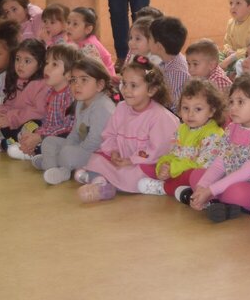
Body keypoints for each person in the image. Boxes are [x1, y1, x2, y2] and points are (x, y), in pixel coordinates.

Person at [74, 57, 179, 203]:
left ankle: (101, 183)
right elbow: (109, 134)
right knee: (95, 158)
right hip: (121, 159)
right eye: (124, 83)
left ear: (152, 90)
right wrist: (114, 152)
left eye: (134, 85)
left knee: (133, 177)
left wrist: (131, 160)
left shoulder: (160, 117)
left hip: (143, 163)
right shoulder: (122, 108)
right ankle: (101, 182)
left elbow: (156, 150)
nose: (126, 90)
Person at [187, 75, 250, 222]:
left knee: (237, 193)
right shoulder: (232, 127)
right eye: (231, 102)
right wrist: (202, 187)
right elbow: (220, 162)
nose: (233, 107)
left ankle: (214, 200)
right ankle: (214, 202)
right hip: (228, 178)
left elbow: (245, 173)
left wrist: (211, 190)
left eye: (240, 102)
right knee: (197, 175)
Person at [137, 79, 226, 199]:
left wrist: (173, 168)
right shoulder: (182, 129)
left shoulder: (214, 135)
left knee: (196, 175)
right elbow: (174, 153)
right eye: (185, 108)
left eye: (198, 109)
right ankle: (179, 188)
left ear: (212, 111)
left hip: (200, 176)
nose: (190, 114)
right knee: (150, 164)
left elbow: (202, 165)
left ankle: (165, 188)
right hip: (179, 170)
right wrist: (164, 165)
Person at [35, 57, 117, 185]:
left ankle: (58, 167)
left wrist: (68, 150)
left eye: (84, 80)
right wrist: (68, 145)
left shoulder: (102, 107)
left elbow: (96, 141)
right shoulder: (80, 102)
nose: (76, 85)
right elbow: (75, 132)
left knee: (67, 153)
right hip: (82, 148)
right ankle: (51, 167)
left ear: (100, 85)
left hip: (98, 153)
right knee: (49, 141)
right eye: (73, 80)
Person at [0, 39, 50, 153]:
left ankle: (4, 145)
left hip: (31, 124)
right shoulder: (17, 80)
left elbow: (38, 112)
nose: (20, 65)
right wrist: (0, 114)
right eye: (18, 59)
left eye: (27, 61)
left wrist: (11, 117)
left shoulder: (43, 84)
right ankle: (11, 142)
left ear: (39, 64)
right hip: (14, 123)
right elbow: (8, 103)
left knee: (31, 127)